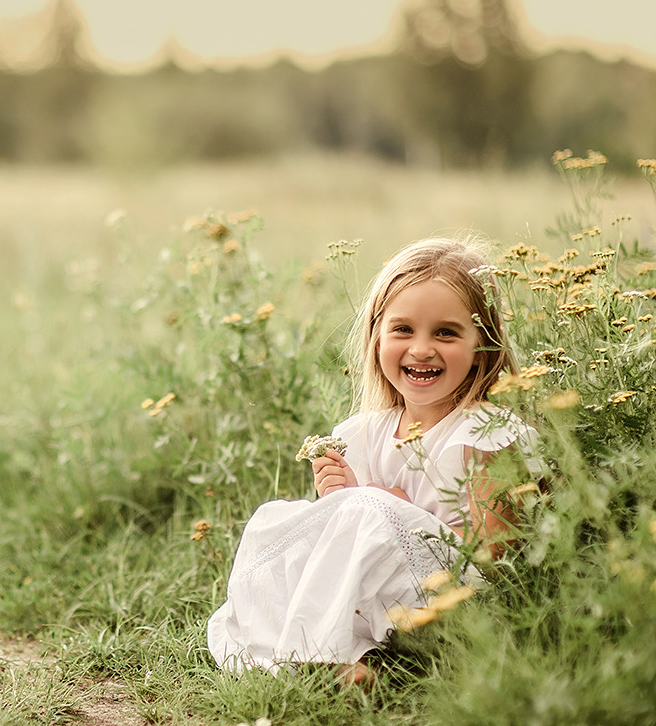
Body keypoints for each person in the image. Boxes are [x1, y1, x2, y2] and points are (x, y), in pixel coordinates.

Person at [206, 237, 538, 684]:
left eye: (446, 332)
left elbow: (498, 555)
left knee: (366, 508)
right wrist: (335, 503)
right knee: (274, 520)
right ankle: (321, 656)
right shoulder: (360, 434)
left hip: (454, 603)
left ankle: (321, 658)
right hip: (382, 601)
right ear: (377, 335)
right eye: (403, 330)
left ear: (484, 343)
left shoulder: (483, 433)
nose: (421, 349)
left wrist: (386, 505)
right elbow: (351, 549)